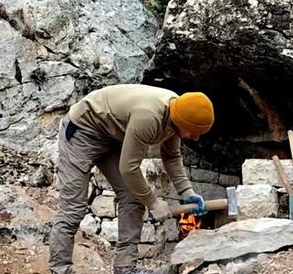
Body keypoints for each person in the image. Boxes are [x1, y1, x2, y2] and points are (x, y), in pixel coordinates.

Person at [48, 84, 215, 274]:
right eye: (193, 131)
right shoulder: (149, 117)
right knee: (73, 208)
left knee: (133, 198)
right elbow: (129, 168)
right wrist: (153, 203)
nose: (196, 138)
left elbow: (171, 156)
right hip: (83, 130)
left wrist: (187, 192)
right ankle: (60, 269)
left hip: (112, 135)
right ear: (180, 119)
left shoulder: (178, 114)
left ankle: (125, 268)